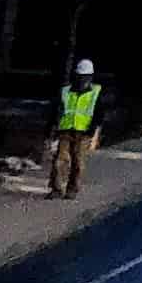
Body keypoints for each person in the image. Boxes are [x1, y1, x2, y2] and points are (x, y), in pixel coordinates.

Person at [50, 58, 103, 197]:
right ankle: (56, 189)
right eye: (80, 76)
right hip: (65, 131)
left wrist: (94, 134)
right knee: (60, 161)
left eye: (85, 77)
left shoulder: (95, 93)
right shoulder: (65, 91)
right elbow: (57, 111)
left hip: (84, 133)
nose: (82, 80)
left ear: (90, 77)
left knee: (78, 163)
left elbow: (99, 114)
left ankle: (72, 189)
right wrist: (53, 129)